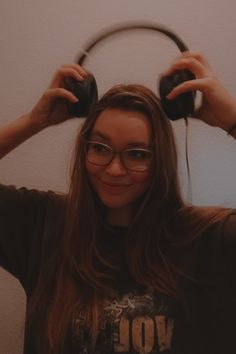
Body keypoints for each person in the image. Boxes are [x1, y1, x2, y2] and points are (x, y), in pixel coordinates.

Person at [0, 52, 236, 354]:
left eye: (137, 154)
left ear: (159, 161)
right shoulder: (44, 224)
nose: (113, 169)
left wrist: (232, 119)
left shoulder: (208, 239)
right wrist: (34, 121)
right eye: (100, 148)